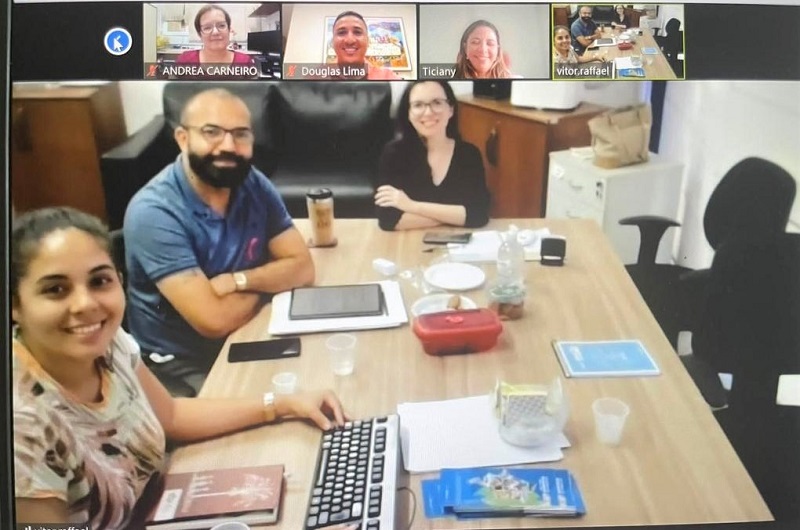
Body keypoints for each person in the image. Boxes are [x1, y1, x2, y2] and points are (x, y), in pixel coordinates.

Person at [11, 207, 347, 529]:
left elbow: (170, 415)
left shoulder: (107, 341)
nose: (85, 304)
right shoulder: (21, 426)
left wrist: (283, 404)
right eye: (56, 290)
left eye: (99, 281)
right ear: (14, 304)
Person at [124, 88, 314, 397]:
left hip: (244, 331)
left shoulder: (252, 182)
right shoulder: (154, 212)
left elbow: (302, 268)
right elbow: (213, 320)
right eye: (211, 132)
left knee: (318, 378)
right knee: (262, 417)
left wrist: (238, 281)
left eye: (240, 134)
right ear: (183, 139)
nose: (228, 146)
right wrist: (271, 282)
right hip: (180, 362)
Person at [375, 80, 491, 231]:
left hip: (457, 241)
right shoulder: (394, 154)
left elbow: (479, 214)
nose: (429, 112)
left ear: (450, 109)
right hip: (408, 242)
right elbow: (388, 220)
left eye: (437, 103)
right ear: (408, 113)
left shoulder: (469, 154)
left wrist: (411, 206)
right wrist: (455, 216)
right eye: (418, 105)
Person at [330, 11, 400, 80]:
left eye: (357, 32)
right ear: (333, 41)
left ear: (368, 41)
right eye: (341, 33)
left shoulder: (388, 78)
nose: (350, 40)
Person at [176, 4, 254, 65]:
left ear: (229, 30)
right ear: (199, 34)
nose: (215, 32)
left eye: (221, 25)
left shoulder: (245, 62)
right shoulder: (185, 61)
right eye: (207, 27)